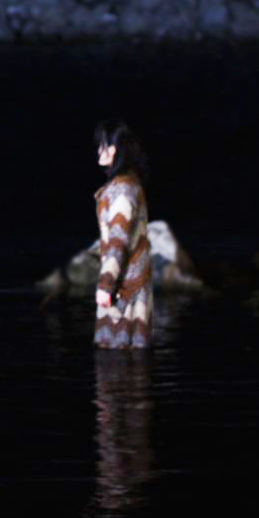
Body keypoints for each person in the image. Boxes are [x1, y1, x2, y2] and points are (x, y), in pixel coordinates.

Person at [92, 120, 152, 348]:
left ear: (115, 149)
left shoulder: (122, 189)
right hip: (131, 285)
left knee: (118, 356)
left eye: (104, 144)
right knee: (130, 357)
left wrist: (105, 285)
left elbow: (118, 240)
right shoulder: (130, 184)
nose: (100, 150)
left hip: (125, 290)